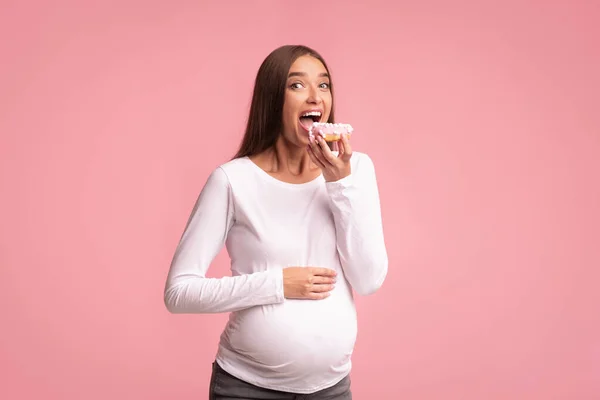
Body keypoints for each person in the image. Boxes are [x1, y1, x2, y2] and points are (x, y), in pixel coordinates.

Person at [163, 44, 388, 400]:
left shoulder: (356, 169)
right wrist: (277, 284)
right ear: (272, 100)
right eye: (297, 85)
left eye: (324, 85)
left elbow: (368, 278)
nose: (315, 97)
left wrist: (340, 184)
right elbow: (178, 293)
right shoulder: (232, 180)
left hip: (331, 389)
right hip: (245, 388)